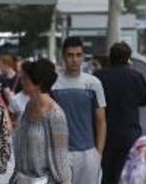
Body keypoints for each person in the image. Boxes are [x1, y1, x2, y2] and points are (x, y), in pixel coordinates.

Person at [51, 37, 107, 184]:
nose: (74, 60)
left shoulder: (93, 83)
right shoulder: (54, 84)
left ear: (83, 56)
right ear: (63, 56)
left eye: (78, 55)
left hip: (88, 153)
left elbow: (101, 120)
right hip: (60, 153)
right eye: (70, 55)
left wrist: (98, 153)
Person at [95, 42, 146, 184]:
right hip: (130, 133)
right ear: (128, 58)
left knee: (107, 174)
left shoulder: (99, 77)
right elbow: (145, 99)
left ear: (111, 57)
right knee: (129, 173)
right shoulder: (136, 76)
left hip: (106, 134)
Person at [14, 59, 71, 184]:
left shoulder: (55, 115)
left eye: (25, 79)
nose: (21, 82)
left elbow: (61, 159)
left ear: (37, 83)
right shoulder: (29, 106)